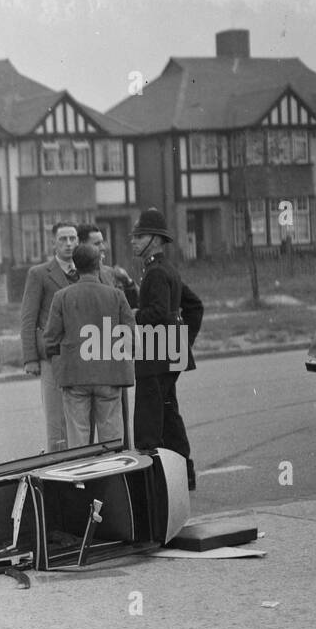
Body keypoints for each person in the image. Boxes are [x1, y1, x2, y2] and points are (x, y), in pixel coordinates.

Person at [130, 207, 202, 490]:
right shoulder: (165, 269)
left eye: (140, 236)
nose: (134, 241)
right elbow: (195, 306)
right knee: (169, 415)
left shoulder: (156, 273)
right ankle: (185, 474)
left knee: (149, 418)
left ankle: (153, 483)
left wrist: (132, 314)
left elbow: (157, 311)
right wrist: (184, 343)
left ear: (156, 240)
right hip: (170, 354)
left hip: (154, 356)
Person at [42, 243, 136, 448]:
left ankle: (82, 478)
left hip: (75, 375)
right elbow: (130, 336)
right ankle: (112, 477)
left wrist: (61, 365)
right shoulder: (116, 295)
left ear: (76, 265)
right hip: (110, 374)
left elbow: (50, 339)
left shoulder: (62, 297)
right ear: (98, 265)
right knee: (111, 437)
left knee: (78, 438)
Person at [19, 221, 79, 452]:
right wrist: (30, 358)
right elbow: (28, 318)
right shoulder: (39, 274)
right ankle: (56, 467)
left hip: (82, 355)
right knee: (56, 421)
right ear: (53, 242)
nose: (69, 244)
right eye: (63, 239)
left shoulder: (84, 271)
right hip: (52, 356)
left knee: (79, 419)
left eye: (73, 238)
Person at [77, 223, 138, 308]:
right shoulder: (72, 274)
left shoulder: (109, 273)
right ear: (82, 245)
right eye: (97, 244)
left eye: (102, 242)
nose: (103, 248)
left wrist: (128, 283)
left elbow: (125, 306)